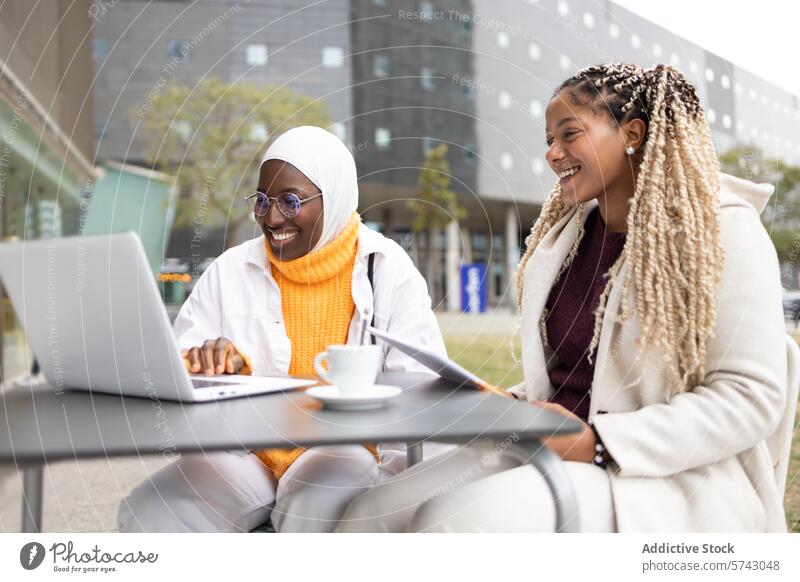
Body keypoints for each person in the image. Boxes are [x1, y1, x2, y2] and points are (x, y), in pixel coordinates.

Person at [337, 63, 787, 533]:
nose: (553, 154)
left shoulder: (721, 230)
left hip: (663, 479)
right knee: (370, 514)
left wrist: (596, 443)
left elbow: (750, 397)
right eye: (548, 139)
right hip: (548, 447)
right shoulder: (569, 237)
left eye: (569, 134)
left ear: (631, 133)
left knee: (449, 524)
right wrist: (502, 403)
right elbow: (570, 378)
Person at [118, 126, 447, 533]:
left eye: (290, 202)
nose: (272, 218)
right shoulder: (228, 270)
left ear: (336, 196)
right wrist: (202, 361)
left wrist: (395, 492)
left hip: (340, 449)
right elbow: (176, 366)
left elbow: (423, 391)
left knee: (315, 506)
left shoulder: (387, 268)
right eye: (262, 201)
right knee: (152, 509)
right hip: (245, 452)